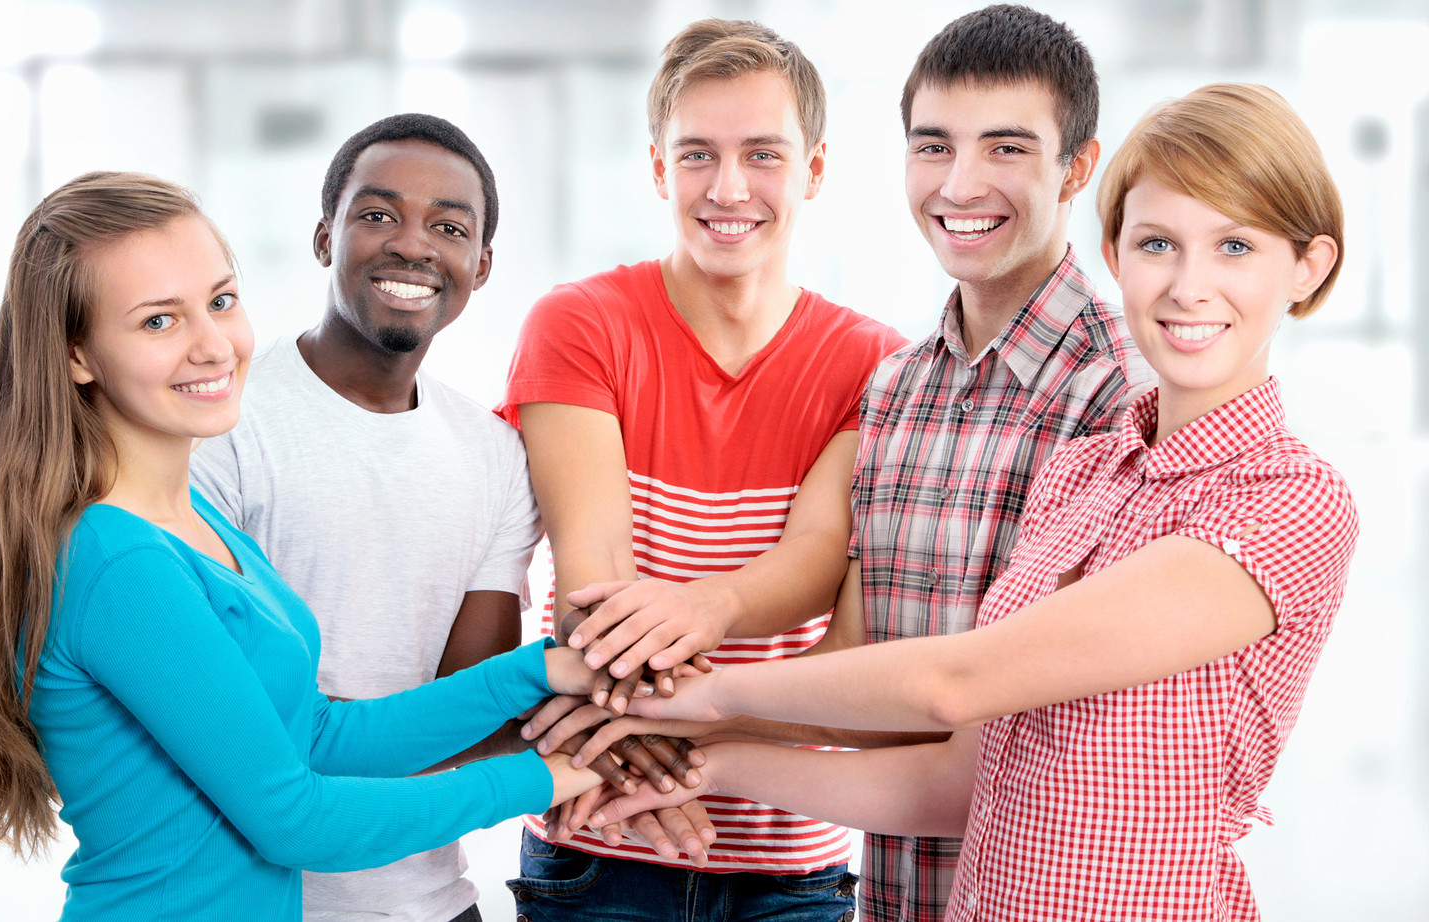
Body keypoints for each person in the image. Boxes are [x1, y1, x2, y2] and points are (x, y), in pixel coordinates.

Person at [586, 82, 1357, 922]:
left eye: (1235, 247)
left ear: (1308, 267)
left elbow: (958, 681)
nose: (1188, 286)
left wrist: (706, 697)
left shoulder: (1291, 500)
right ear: (1118, 251)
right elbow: (954, 781)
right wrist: (709, 765)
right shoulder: (1083, 473)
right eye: (1159, 244)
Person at [526, 7, 1152, 919]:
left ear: (1077, 170)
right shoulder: (904, 383)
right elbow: (854, 656)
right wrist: (651, 737)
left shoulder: (1121, 402)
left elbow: (999, 724)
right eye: (934, 145)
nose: (963, 181)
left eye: (1007, 148)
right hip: (880, 889)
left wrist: (647, 723)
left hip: (1014, 887)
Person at [0, 171, 606, 922]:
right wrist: (547, 777)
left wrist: (542, 670)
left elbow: (318, 736)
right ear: (77, 355)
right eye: (159, 322)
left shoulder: (197, 526)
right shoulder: (117, 560)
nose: (214, 346)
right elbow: (298, 821)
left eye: (220, 302)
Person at [496, 17, 907, 922]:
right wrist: (646, 762)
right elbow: (592, 573)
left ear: (815, 169)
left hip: (791, 862)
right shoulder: (580, 324)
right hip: (599, 845)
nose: (729, 188)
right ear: (657, 170)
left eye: (763, 154)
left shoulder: (876, 364)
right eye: (697, 156)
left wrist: (699, 628)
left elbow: (810, 566)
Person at [189, 113, 544, 922]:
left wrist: (605, 736)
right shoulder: (221, 429)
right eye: (378, 215)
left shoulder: (496, 456)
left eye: (447, 227)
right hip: (256, 902)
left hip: (433, 902)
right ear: (325, 237)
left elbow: (469, 709)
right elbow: (241, 724)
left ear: (480, 266)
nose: (413, 246)